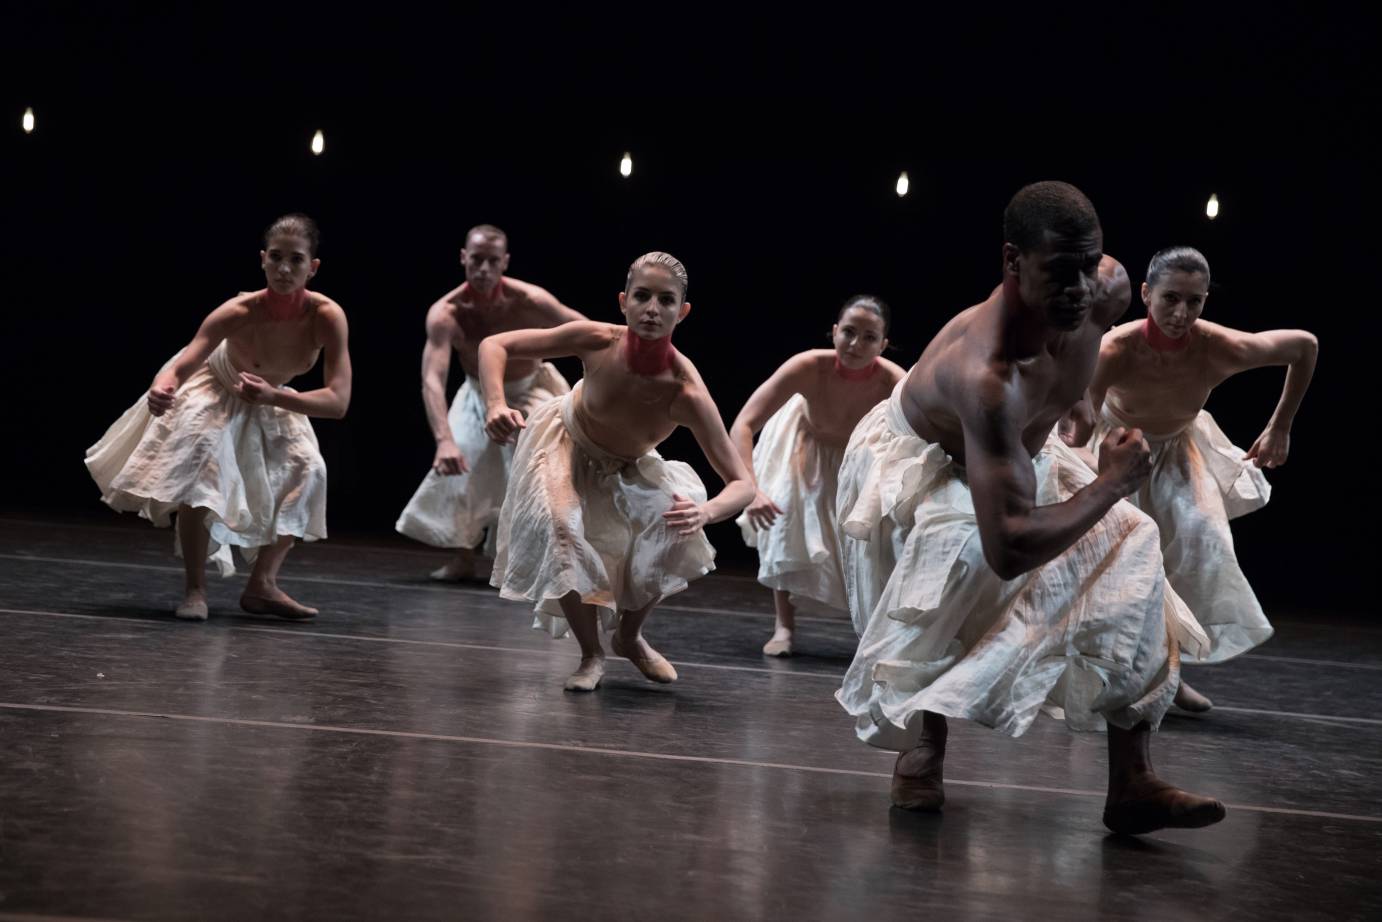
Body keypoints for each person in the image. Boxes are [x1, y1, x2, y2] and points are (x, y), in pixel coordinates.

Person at [835, 182, 1224, 835]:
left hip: (1018, 451)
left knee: (1133, 540)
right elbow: (1009, 544)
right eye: (1060, 271)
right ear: (1013, 261)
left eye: (1087, 266)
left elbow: (1082, 334)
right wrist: (1109, 483)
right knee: (951, 562)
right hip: (921, 463)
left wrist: (1077, 396)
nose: (1079, 288)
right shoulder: (985, 374)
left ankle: (1131, 780)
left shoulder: (1105, 290)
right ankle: (922, 744)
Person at [478, 252, 754, 691]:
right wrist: (495, 402)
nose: (652, 309)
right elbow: (495, 345)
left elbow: (742, 484)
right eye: (642, 296)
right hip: (566, 440)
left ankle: (629, 635)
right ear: (624, 302)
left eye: (665, 300)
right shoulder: (598, 340)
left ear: (682, 312)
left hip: (625, 464)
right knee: (562, 527)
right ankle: (591, 654)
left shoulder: (685, 391)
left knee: (676, 523)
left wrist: (706, 512)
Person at [1067, 246, 1318, 711]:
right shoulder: (1115, 351)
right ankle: (1098, 674)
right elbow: (1081, 428)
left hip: (1180, 451)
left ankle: (1168, 671)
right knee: (1121, 564)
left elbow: (1304, 346)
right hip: (1118, 452)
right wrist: (1090, 480)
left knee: (1203, 543)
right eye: (1170, 299)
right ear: (1146, 294)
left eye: (1194, 301)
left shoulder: (1219, 346)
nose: (1182, 314)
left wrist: (1280, 425)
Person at [86, 213, 351, 621]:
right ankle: (195, 590)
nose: (284, 268)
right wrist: (162, 386)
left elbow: (338, 401)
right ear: (262, 259)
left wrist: (272, 396)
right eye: (276, 257)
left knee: (309, 470)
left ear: (312, 267)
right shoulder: (238, 310)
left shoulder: (327, 316)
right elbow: (185, 362)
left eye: (296, 260)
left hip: (269, 397)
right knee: (202, 472)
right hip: (216, 385)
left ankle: (262, 585)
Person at [396, 224, 584, 580]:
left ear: (505, 262)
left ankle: (536, 561)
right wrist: (444, 440)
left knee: (541, 472)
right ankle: (463, 557)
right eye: (477, 259)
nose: (484, 269)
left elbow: (589, 333)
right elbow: (432, 379)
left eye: (492, 261)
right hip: (478, 394)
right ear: (463, 258)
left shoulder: (530, 300)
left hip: (531, 390)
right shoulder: (447, 312)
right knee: (461, 464)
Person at [730, 296, 905, 656]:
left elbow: (922, 434)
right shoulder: (808, 366)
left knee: (870, 539)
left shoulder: (895, 382)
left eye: (869, 337)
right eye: (849, 332)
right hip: (803, 444)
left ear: (883, 344)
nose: (855, 344)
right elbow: (743, 424)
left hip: (859, 456)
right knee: (787, 524)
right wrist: (751, 488)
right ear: (835, 331)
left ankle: (874, 631)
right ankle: (784, 626)